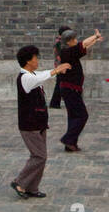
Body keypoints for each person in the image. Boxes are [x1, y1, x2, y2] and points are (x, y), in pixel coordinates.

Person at [11, 45, 71, 199]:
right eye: (35, 58)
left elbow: (42, 75)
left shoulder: (32, 73)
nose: (37, 60)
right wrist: (57, 70)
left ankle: (31, 187)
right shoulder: (25, 77)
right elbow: (39, 78)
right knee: (39, 156)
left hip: (39, 122)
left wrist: (57, 70)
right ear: (28, 61)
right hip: (29, 124)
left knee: (40, 156)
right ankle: (19, 182)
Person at [56, 27, 102, 152]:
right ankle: (68, 139)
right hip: (70, 89)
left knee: (74, 116)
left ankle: (71, 144)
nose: (76, 40)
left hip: (70, 89)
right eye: (74, 39)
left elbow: (84, 47)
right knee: (82, 115)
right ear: (69, 41)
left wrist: (95, 40)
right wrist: (96, 36)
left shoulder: (69, 51)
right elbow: (84, 44)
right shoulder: (68, 51)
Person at [48, 25, 70, 109]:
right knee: (60, 84)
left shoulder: (59, 41)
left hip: (60, 65)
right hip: (61, 66)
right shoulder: (60, 42)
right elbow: (62, 55)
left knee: (60, 83)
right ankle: (55, 103)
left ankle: (55, 102)